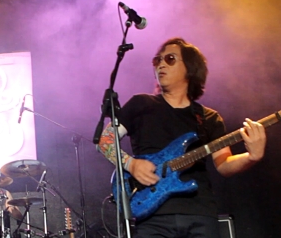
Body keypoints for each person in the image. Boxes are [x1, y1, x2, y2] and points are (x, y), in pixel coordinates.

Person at [97, 37, 267, 237]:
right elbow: (105, 141)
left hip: (200, 214)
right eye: (157, 60)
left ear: (190, 68)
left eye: (169, 59)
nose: (160, 64)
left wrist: (251, 157)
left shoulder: (208, 118)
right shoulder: (140, 104)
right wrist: (131, 164)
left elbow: (224, 164)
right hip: (152, 217)